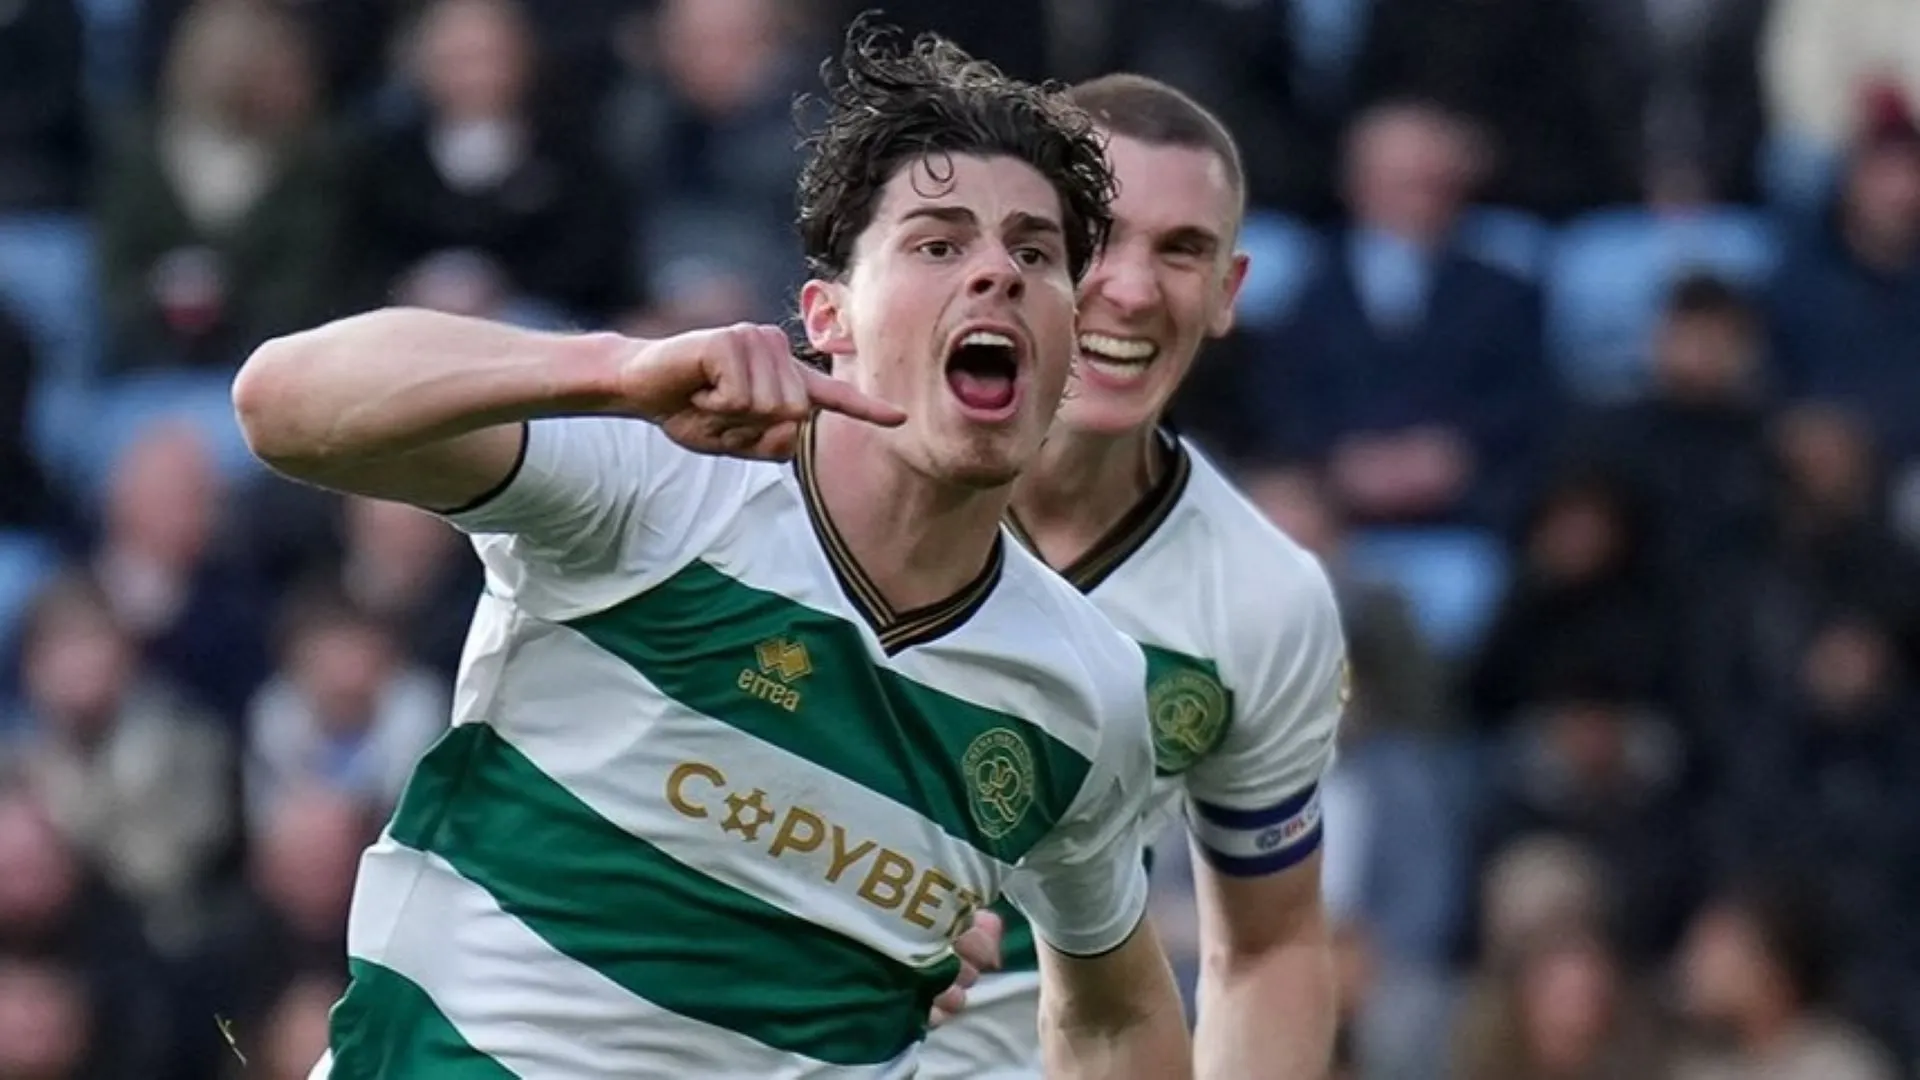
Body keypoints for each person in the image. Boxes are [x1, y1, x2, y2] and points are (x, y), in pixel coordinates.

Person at [230, 23, 1192, 1080]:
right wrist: (612, 368)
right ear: (829, 317)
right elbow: (283, 403)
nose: (996, 276)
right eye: (938, 243)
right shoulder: (661, 480)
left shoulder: (1083, 690)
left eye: (1036, 253)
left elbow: (1114, 1019)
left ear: (1066, 357)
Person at [918, 74, 1349, 1080]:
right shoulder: (830, 472)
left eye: (1182, 251)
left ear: (1230, 292)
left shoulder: (1261, 599)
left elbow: (1270, 945)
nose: (1134, 288)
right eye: (1095, 235)